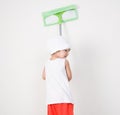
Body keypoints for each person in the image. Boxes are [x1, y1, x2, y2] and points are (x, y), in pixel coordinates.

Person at [42, 36, 74, 115]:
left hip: (51, 98)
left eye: (68, 51)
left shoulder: (47, 63)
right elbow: (69, 77)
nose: (68, 53)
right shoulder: (64, 62)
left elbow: (44, 76)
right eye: (65, 50)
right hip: (64, 97)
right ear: (56, 50)